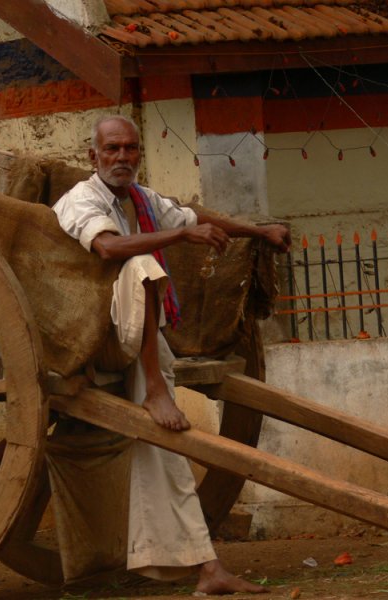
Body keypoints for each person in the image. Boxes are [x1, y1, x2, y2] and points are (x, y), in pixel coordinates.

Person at [52, 114, 290, 595]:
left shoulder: (141, 199)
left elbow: (193, 216)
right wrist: (180, 238)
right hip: (85, 334)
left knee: (165, 450)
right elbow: (109, 247)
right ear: (92, 156)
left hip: (136, 336)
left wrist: (258, 231)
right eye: (113, 149)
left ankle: (205, 569)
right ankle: (154, 389)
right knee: (140, 263)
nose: (123, 158)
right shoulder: (82, 200)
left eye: (131, 149)